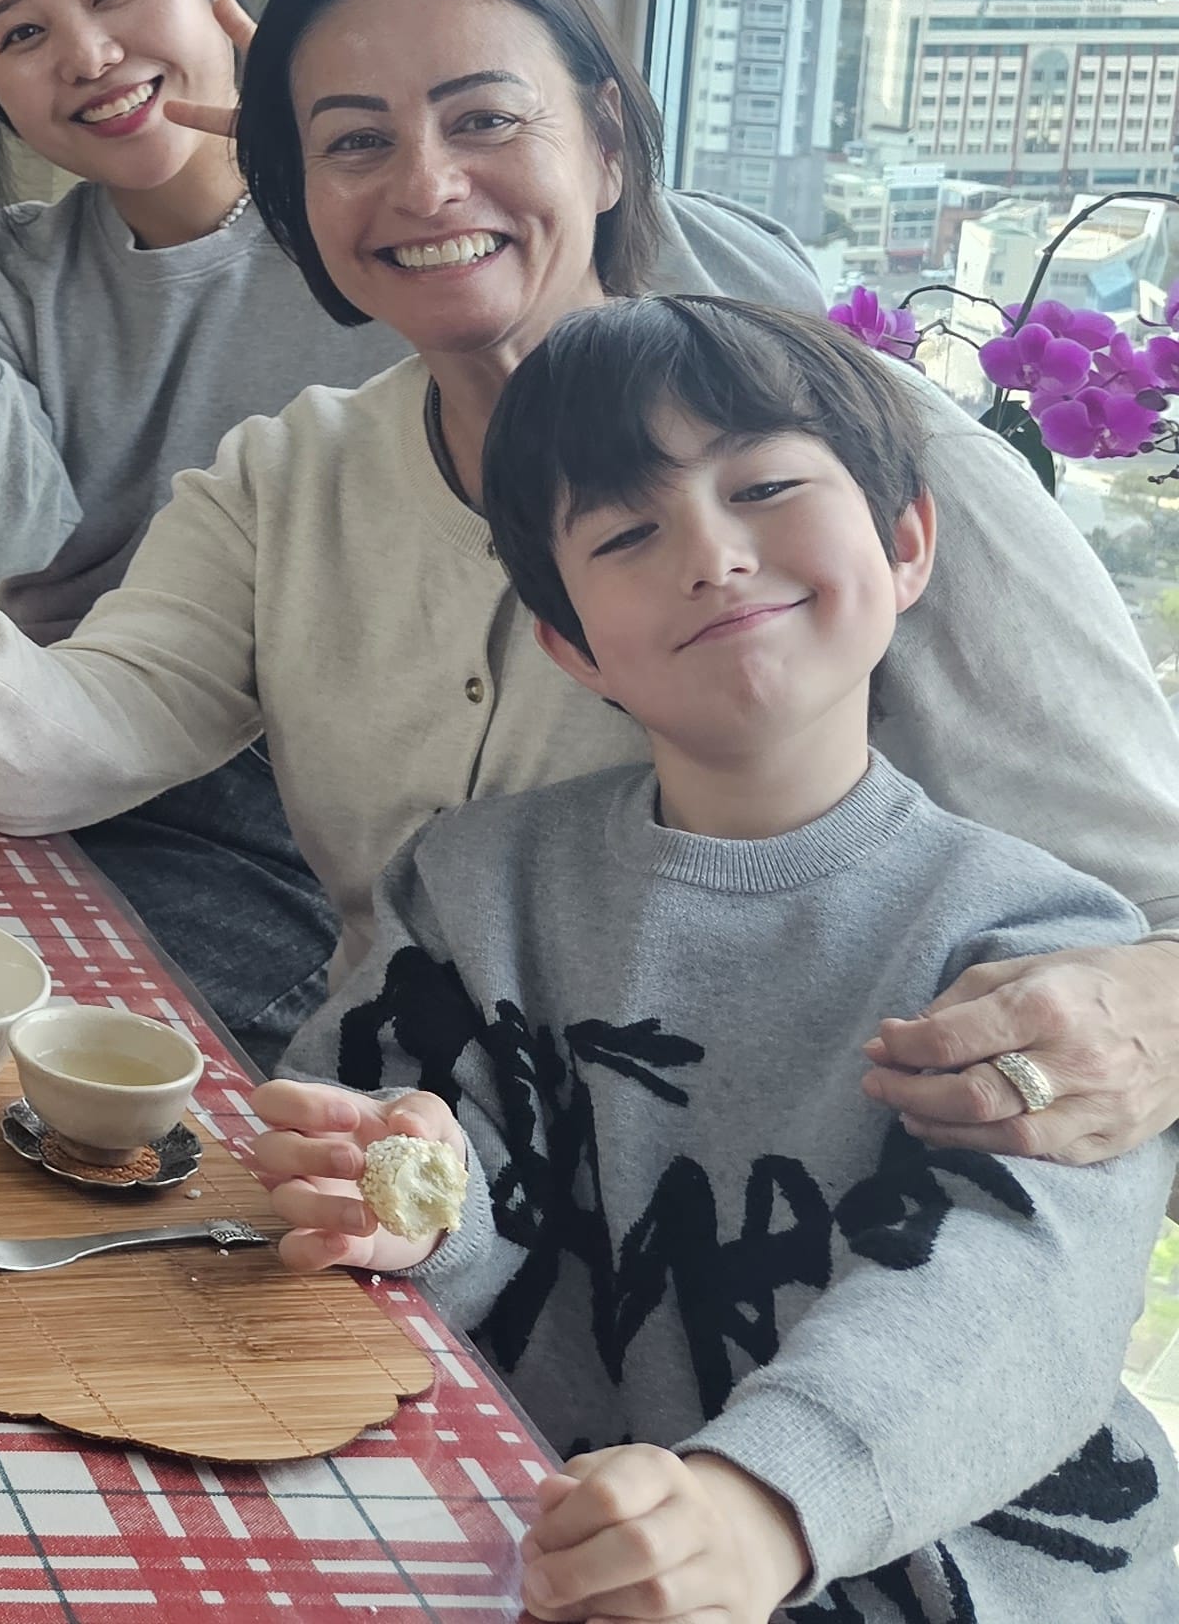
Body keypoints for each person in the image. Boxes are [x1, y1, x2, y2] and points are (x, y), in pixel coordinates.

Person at [0, 0, 1179, 1165]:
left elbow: (1154, 901)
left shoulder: (847, 464)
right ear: (299, 211)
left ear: (607, 143)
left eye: (485, 120)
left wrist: (1137, 1021)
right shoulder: (290, 477)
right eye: (355, 144)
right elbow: (55, 756)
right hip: (398, 1202)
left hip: (761, 1254)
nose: (425, 186)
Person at [0, 0, 819, 1066]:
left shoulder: (424, 248)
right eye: (20, 34)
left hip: (290, 805)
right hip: (125, 736)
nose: (91, 56)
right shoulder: (241, 430)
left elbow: (708, 300)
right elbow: (7, 569)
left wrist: (347, 121)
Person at [248, 298, 1177, 1620]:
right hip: (587, 1541)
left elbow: (1013, 1292)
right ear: (571, 643)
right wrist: (406, 1198)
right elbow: (417, 1156)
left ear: (906, 540)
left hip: (960, 1570)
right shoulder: (474, 884)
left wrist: (767, 1503)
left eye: (767, 485)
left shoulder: (1023, 947)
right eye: (629, 531)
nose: (713, 552)